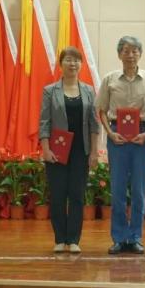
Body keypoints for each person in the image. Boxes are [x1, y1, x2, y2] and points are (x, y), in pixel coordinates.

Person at [96, 36, 145, 255]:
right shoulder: (109, 79)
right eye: (126, 51)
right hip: (117, 136)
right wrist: (110, 133)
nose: (130, 55)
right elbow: (101, 110)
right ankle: (118, 237)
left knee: (139, 190)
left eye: (135, 51)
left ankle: (135, 237)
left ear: (140, 54)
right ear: (119, 54)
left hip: (142, 137)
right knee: (117, 189)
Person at [39, 46, 99, 254]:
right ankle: (59, 239)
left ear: (81, 64)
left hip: (81, 150)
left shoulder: (89, 90)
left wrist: (94, 152)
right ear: (61, 64)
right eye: (68, 60)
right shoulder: (50, 91)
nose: (72, 64)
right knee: (57, 195)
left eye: (76, 60)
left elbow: (94, 124)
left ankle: (73, 239)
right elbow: (44, 122)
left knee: (77, 195)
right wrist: (46, 149)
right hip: (57, 150)